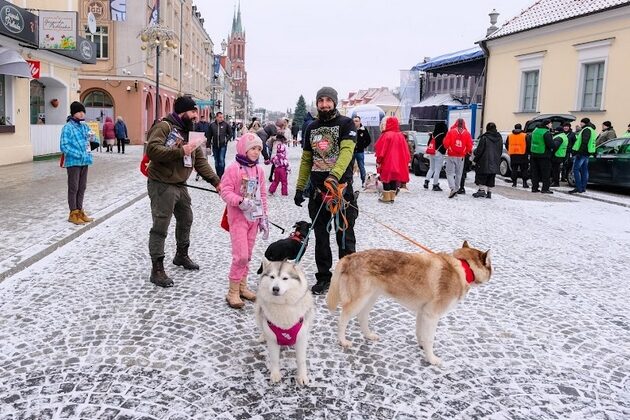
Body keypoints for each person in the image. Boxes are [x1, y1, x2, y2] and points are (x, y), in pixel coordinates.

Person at [145, 96, 221, 288]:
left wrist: (216, 182)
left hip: (180, 184)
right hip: (162, 183)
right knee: (161, 225)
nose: (196, 115)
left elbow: (200, 161)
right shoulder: (164, 127)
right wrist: (181, 151)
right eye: (193, 111)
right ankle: (157, 269)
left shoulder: (190, 132)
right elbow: (152, 150)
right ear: (183, 112)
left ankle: (181, 255)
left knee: (186, 218)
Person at [294, 86, 358, 295]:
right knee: (321, 236)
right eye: (320, 100)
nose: (324, 104)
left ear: (334, 102)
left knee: (344, 236)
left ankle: (348, 278)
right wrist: (299, 186)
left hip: (340, 191)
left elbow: (347, 152)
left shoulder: (346, 124)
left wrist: (334, 175)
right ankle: (324, 277)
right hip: (317, 193)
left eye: (328, 100)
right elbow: (306, 159)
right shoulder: (311, 127)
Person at [220, 132, 269, 308]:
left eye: (258, 149)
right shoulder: (233, 169)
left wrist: (264, 217)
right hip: (238, 218)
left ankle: (242, 286)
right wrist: (239, 201)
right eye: (252, 148)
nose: (256, 152)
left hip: (253, 219)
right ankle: (232, 291)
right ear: (243, 149)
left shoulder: (259, 170)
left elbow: (262, 194)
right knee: (240, 256)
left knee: (247, 256)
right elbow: (224, 191)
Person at [60, 101, 95, 225]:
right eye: (79, 111)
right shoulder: (68, 127)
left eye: (83, 111)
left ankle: (80, 211)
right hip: (73, 162)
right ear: (73, 113)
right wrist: (78, 154)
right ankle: (73, 213)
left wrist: (93, 138)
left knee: (82, 187)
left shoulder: (85, 126)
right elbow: (64, 146)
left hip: (85, 161)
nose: (81, 114)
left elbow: (93, 140)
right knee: (73, 187)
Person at [374, 116, 409, 203]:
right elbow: (406, 151)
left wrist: (378, 161)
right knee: (394, 179)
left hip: (387, 162)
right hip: (398, 163)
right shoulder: (401, 136)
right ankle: (392, 198)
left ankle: (386, 198)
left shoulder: (386, 135)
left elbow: (381, 150)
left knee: (386, 179)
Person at [443, 118, 473, 198]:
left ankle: (452, 188)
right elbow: (470, 146)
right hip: (461, 156)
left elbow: (446, 143)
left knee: (449, 173)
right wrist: (465, 151)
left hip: (451, 155)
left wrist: (449, 148)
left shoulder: (451, 132)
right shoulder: (467, 133)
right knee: (459, 174)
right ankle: (456, 189)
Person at [472, 122, 503, 199]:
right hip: (495, 160)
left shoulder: (484, 137)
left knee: (481, 175)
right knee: (491, 176)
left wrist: (475, 157)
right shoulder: (499, 137)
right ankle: (489, 192)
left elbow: (479, 150)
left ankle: (481, 191)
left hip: (484, 160)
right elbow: (500, 149)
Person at [569, 117, 596, 194]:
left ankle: (578, 187)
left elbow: (584, 142)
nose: (580, 124)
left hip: (582, 153)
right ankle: (583, 188)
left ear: (584, 123)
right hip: (588, 152)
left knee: (576, 169)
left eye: (581, 122)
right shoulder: (592, 130)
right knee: (584, 170)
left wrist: (579, 152)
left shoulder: (586, 130)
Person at [529, 119, 555, 194]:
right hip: (544, 155)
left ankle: (534, 188)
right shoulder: (546, 133)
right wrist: (555, 144)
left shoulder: (535, 131)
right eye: (550, 124)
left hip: (534, 154)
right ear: (547, 125)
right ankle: (545, 189)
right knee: (545, 173)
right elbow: (551, 145)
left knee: (535, 172)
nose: (551, 125)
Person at [206, 112, 233, 178]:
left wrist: (226, 140)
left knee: (221, 160)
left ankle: (222, 175)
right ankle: (218, 175)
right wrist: (208, 146)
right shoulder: (212, 125)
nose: (222, 118)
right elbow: (209, 136)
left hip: (223, 145)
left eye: (222, 117)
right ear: (216, 117)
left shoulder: (225, 124)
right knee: (216, 161)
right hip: (215, 145)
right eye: (220, 117)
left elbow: (230, 133)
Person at [424, 122, 447, 191]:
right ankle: (435, 184)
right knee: (437, 170)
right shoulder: (443, 134)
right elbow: (445, 144)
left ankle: (426, 181)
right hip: (439, 153)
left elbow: (428, 143)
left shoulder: (433, 134)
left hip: (432, 152)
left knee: (431, 168)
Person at [505, 123, 529, 188]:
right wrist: (527, 152)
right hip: (523, 154)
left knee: (514, 169)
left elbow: (507, 145)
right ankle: (524, 183)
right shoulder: (525, 135)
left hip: (513, 154)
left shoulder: (510, 136)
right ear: (521, 128)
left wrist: (510, 150)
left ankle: (514, 183)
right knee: (524, 169)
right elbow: (528, 145)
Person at [353, 115, 372, 188]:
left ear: (360, 121)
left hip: (360, 152)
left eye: (357, 121)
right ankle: (349, 182)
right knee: (350, 167)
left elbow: (368, 140)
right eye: (354, 121)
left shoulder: (363, 130)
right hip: (351, 151)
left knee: (361, 167)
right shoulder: (350, 129)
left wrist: (363, 146)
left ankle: (364, 182)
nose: (355, 122)